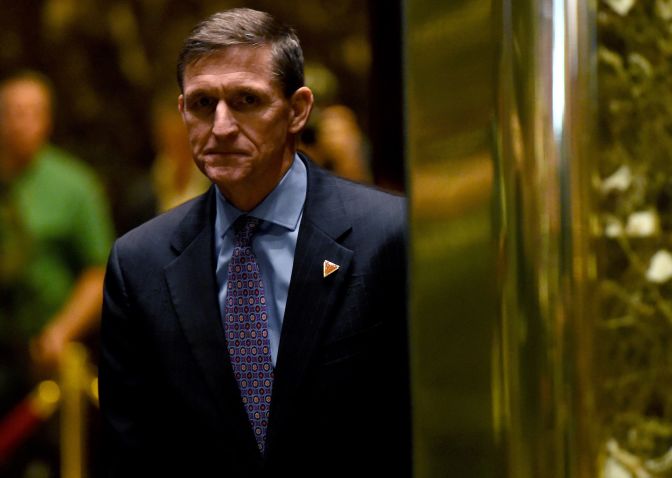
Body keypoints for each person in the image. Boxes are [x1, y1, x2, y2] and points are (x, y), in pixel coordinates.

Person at [99, 8, 409, 477]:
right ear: (183, 112)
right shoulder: (138, 263)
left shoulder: (386, 235)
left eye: (246, 100)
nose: (221, 126)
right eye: (203, 104)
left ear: (298, 110)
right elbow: (130, 454)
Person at [0, 70, 114, 474]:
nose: (20, 122)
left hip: (48, 364)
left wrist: (60, 332)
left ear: (47, 119)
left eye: (31, 113)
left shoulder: (74, 185)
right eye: (11, 112)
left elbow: (99, 272)